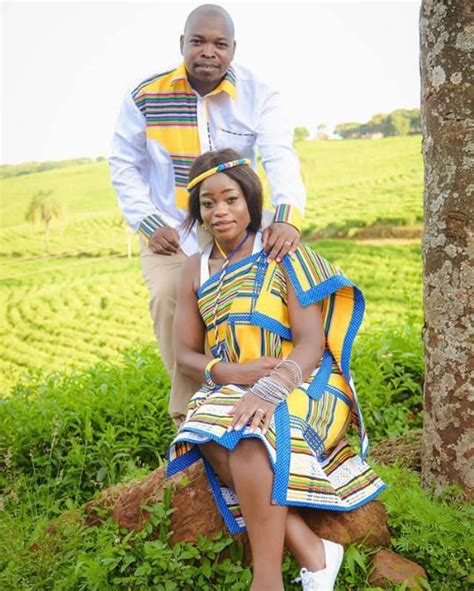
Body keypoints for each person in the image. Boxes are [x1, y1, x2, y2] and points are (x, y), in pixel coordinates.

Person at [167, 149, 386, 591]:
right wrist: (233, 373)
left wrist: (270, 388)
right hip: (233, 384)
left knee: (251, 435)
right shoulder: (195, 269)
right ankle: (313, 551)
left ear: (250, 200)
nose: (220, 211)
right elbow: (185, 354)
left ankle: (265, 581)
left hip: (307, 381)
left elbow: (310, 343)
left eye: (230, 199)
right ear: (199, 212)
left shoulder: (280, 252)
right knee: (203, 431)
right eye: (207, 204)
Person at [109, 4, 306, 425]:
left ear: (233, 49)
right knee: (168, 299)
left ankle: (278, 399)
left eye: (220, 44)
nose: (208, 52)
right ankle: (191, 418)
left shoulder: (259, 94)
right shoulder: (145, 95)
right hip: (170, 231)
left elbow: (279, 155)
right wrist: (148, 222)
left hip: (237, 227)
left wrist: (286, 216)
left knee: (281, 288)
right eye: (198, 41)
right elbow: (123, 164)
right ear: (183, 44)